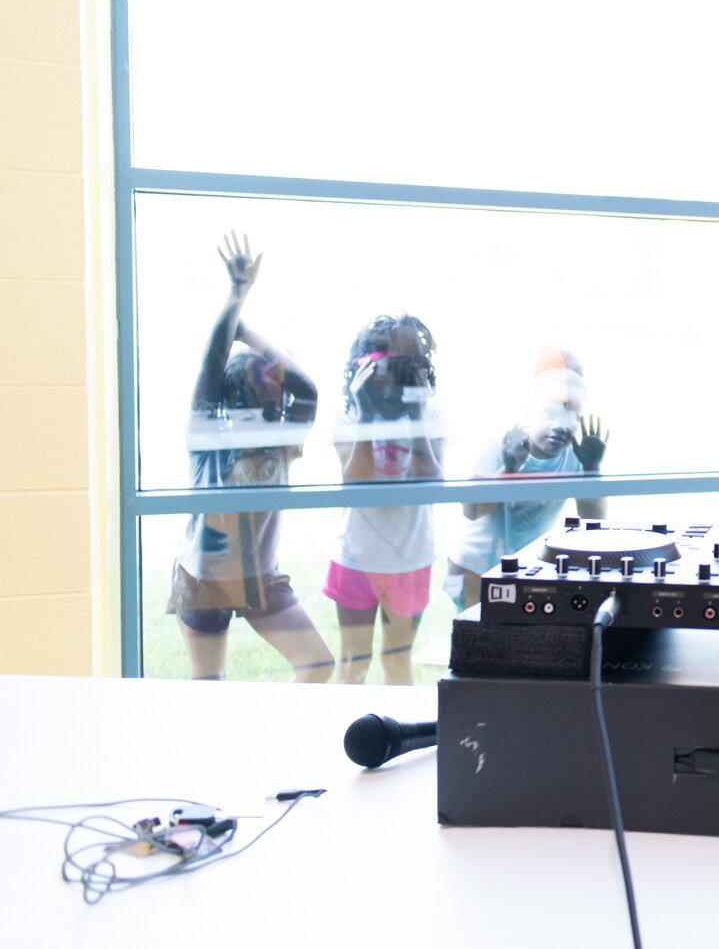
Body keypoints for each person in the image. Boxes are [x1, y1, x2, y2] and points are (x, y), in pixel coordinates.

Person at [168, 231, 335, 682]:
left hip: (259, 574)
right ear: (233, 391)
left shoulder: (284, 436)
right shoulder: (208, 431)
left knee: (316, 664)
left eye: (272, 381)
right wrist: (235, 298)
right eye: (258, 377)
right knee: (208, 683)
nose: (270, 381)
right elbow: (209, 367)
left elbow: (306, 387)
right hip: (203, 576)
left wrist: (248, 332)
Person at [324, 314, 445, 685]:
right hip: (356, 557)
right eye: (385, 363)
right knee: (353, 665)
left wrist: (417, 416)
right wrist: (365, 412)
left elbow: (432, 481)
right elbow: (355, 481)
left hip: (410, 558)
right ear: (364, 365)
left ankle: (398, 739)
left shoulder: (431, 413)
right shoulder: (349, 414)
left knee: (397, 663)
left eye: (406, 364)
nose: (394, 374)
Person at [443, 348, 609, 608]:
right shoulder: (502, 442)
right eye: (550, 413)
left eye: (573, 417)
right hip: (474, 567)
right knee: (479, 639)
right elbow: (471, 511)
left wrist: (592, 469)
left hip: (525, 568)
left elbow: (593, 521)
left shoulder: (575, 455)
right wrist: (509, 468)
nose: (561, 426)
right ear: (530, 409)